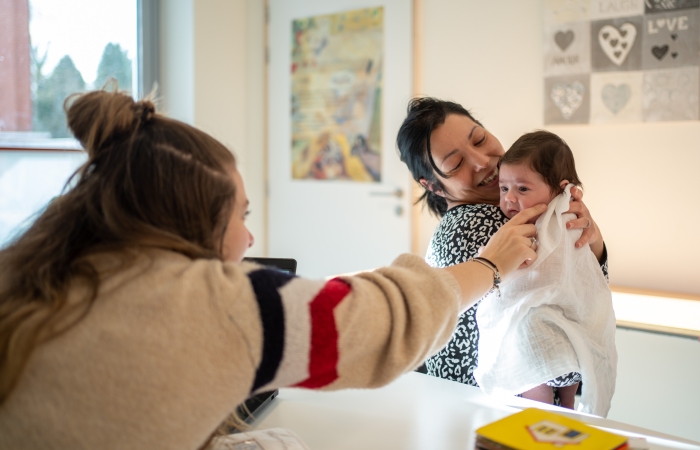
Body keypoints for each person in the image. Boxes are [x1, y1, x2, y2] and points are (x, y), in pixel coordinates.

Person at [0, 89, 541, 450]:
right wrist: (491, 263)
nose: (250, 238)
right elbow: (385, 319)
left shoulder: (32, 278)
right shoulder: (224, 306)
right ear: (193, 223)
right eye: (242, 214)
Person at [396, 98, 607, 402]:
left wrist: (592, 241)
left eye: (480, 139)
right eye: (455, 164)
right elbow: (542, 334)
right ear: (433, 186)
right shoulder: (473, 227)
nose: (483, 161)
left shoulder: (513, 211)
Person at [473, 130, 617, 416]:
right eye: (504, 189)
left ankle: (565, 404)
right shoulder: (518, 223)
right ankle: (539, 408)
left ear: (559, 189)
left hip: (572, 305)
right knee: (532, 334)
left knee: (564, 334)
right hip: (540, 308)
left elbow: (571, 264)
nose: (509, 199)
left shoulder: (563, 216)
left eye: (522, 189)